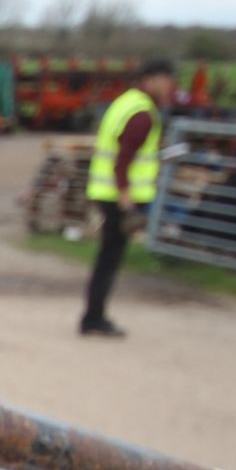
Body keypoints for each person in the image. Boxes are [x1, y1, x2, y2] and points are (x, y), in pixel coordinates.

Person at [80, 59, 177, 339]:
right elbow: (123, 161)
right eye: (166, 79)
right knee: (109, 260)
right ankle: (94, 318)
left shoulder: (126, 103)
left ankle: (93, 315)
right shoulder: (142, 114)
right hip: (119, 196)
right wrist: (127, 202)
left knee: (106, 258)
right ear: (150, 80)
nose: (169, 86)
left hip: (106, 192)